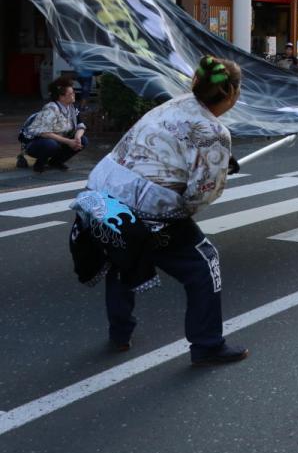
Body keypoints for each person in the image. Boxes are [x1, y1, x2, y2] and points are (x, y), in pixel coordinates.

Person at [69, 56, 247, 365]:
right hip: (145, 209)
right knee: (204, 264)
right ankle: (207, 345)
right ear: (231, 92)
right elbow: (199, 196)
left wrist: (218, 162)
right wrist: (213, 171)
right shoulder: (215, 132)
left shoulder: (174, 104)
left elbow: (169, 149)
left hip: (102, 193)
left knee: (121, 255)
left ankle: (120, 335)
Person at [24, 77, 87, 173]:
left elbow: (80, 125)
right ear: (61, 97)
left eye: (73, 92)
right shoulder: (51, 108)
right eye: (71, 93)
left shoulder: (71, 107)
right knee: (51, 144)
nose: (74, 94)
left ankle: (55, 162)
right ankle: (40, 163)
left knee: (83, 140)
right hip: (36, 143)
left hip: (59, 141)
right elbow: (45, 133)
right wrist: (68, 141)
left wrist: (77, 138)